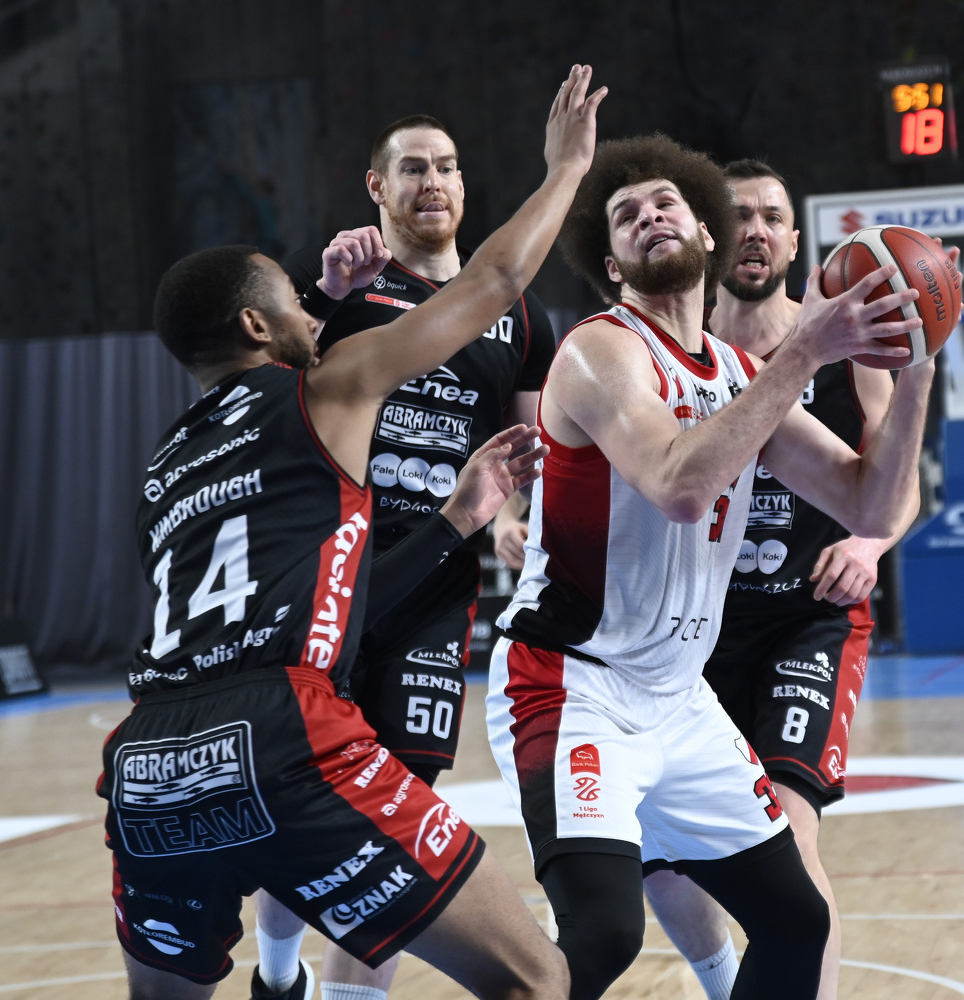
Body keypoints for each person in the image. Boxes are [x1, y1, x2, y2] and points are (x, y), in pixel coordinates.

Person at [96, 64, 604, 1000]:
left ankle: (283, 977)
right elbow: (496, 278)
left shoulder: (163, 467)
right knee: (538, 981)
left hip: (147, 757)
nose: (311, 310)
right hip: (283, 724)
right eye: (294, 304)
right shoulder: (326, 386)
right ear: (258, 325)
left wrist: (462, 517)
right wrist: (567, 169)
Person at [485, 134, 942, 1000]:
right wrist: (804, 353)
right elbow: (681, 487)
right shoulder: (598, 350)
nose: (647, 215)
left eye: (665, 202)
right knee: (607, 933)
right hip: (571, 685)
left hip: (677, 697)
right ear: (613, 267)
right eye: (624, 215)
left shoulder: (736, 370)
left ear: (706, 235)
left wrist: (916, 365)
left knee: (797, 921)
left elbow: (871, 509)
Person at [267, 112, 557, 1000]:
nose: (433, 181)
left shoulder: (520, 313)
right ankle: (276, 975)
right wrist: (323, 295)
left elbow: (525, 448)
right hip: (329, 572)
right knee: (300, 793)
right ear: (377, 188)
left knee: (399, 804)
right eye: (413, 167)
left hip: (435, 577)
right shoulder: (336, 282)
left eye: (447, 166)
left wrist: (512, 522)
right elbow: (261, 406)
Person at [642, 159, 929, 1000]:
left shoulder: (848, 345)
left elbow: (896, 481)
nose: (756, 231)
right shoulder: (674, 353)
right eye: (740, 216)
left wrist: (870, 544)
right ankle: (723, 981)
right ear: (707, 236)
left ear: (796, 242)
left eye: (772, 217)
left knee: (789, 833)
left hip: (809, 618)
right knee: (663, 861)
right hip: (693, 628)